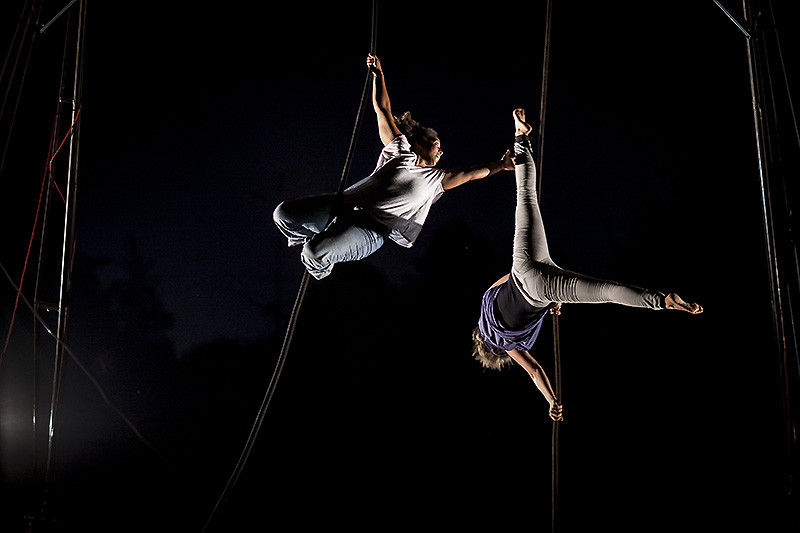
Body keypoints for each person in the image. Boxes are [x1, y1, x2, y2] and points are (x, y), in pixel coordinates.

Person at [474, 109, 703, 422]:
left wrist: (551, 400)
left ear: (495, 351)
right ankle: (520, 136)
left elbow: (535, 370)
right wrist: (546, 297)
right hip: (522, 264)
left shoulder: (504, 343)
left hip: (540, 288)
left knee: (605, 292)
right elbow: (504, 281)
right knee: (525, 196)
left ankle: (662, 301)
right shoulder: (485, 305)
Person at [273, 54, 515, 279]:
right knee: (283, 214)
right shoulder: (399, 152)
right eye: (436, 144)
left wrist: (500, 165)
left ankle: (323, 258)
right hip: (344, 205)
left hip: (371, 230)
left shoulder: (437, 180)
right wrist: (379, 74)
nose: (441, 151)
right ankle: (321, 238)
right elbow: (383, 109)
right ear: (420, 142)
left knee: (312, 253)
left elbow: (472, 174)